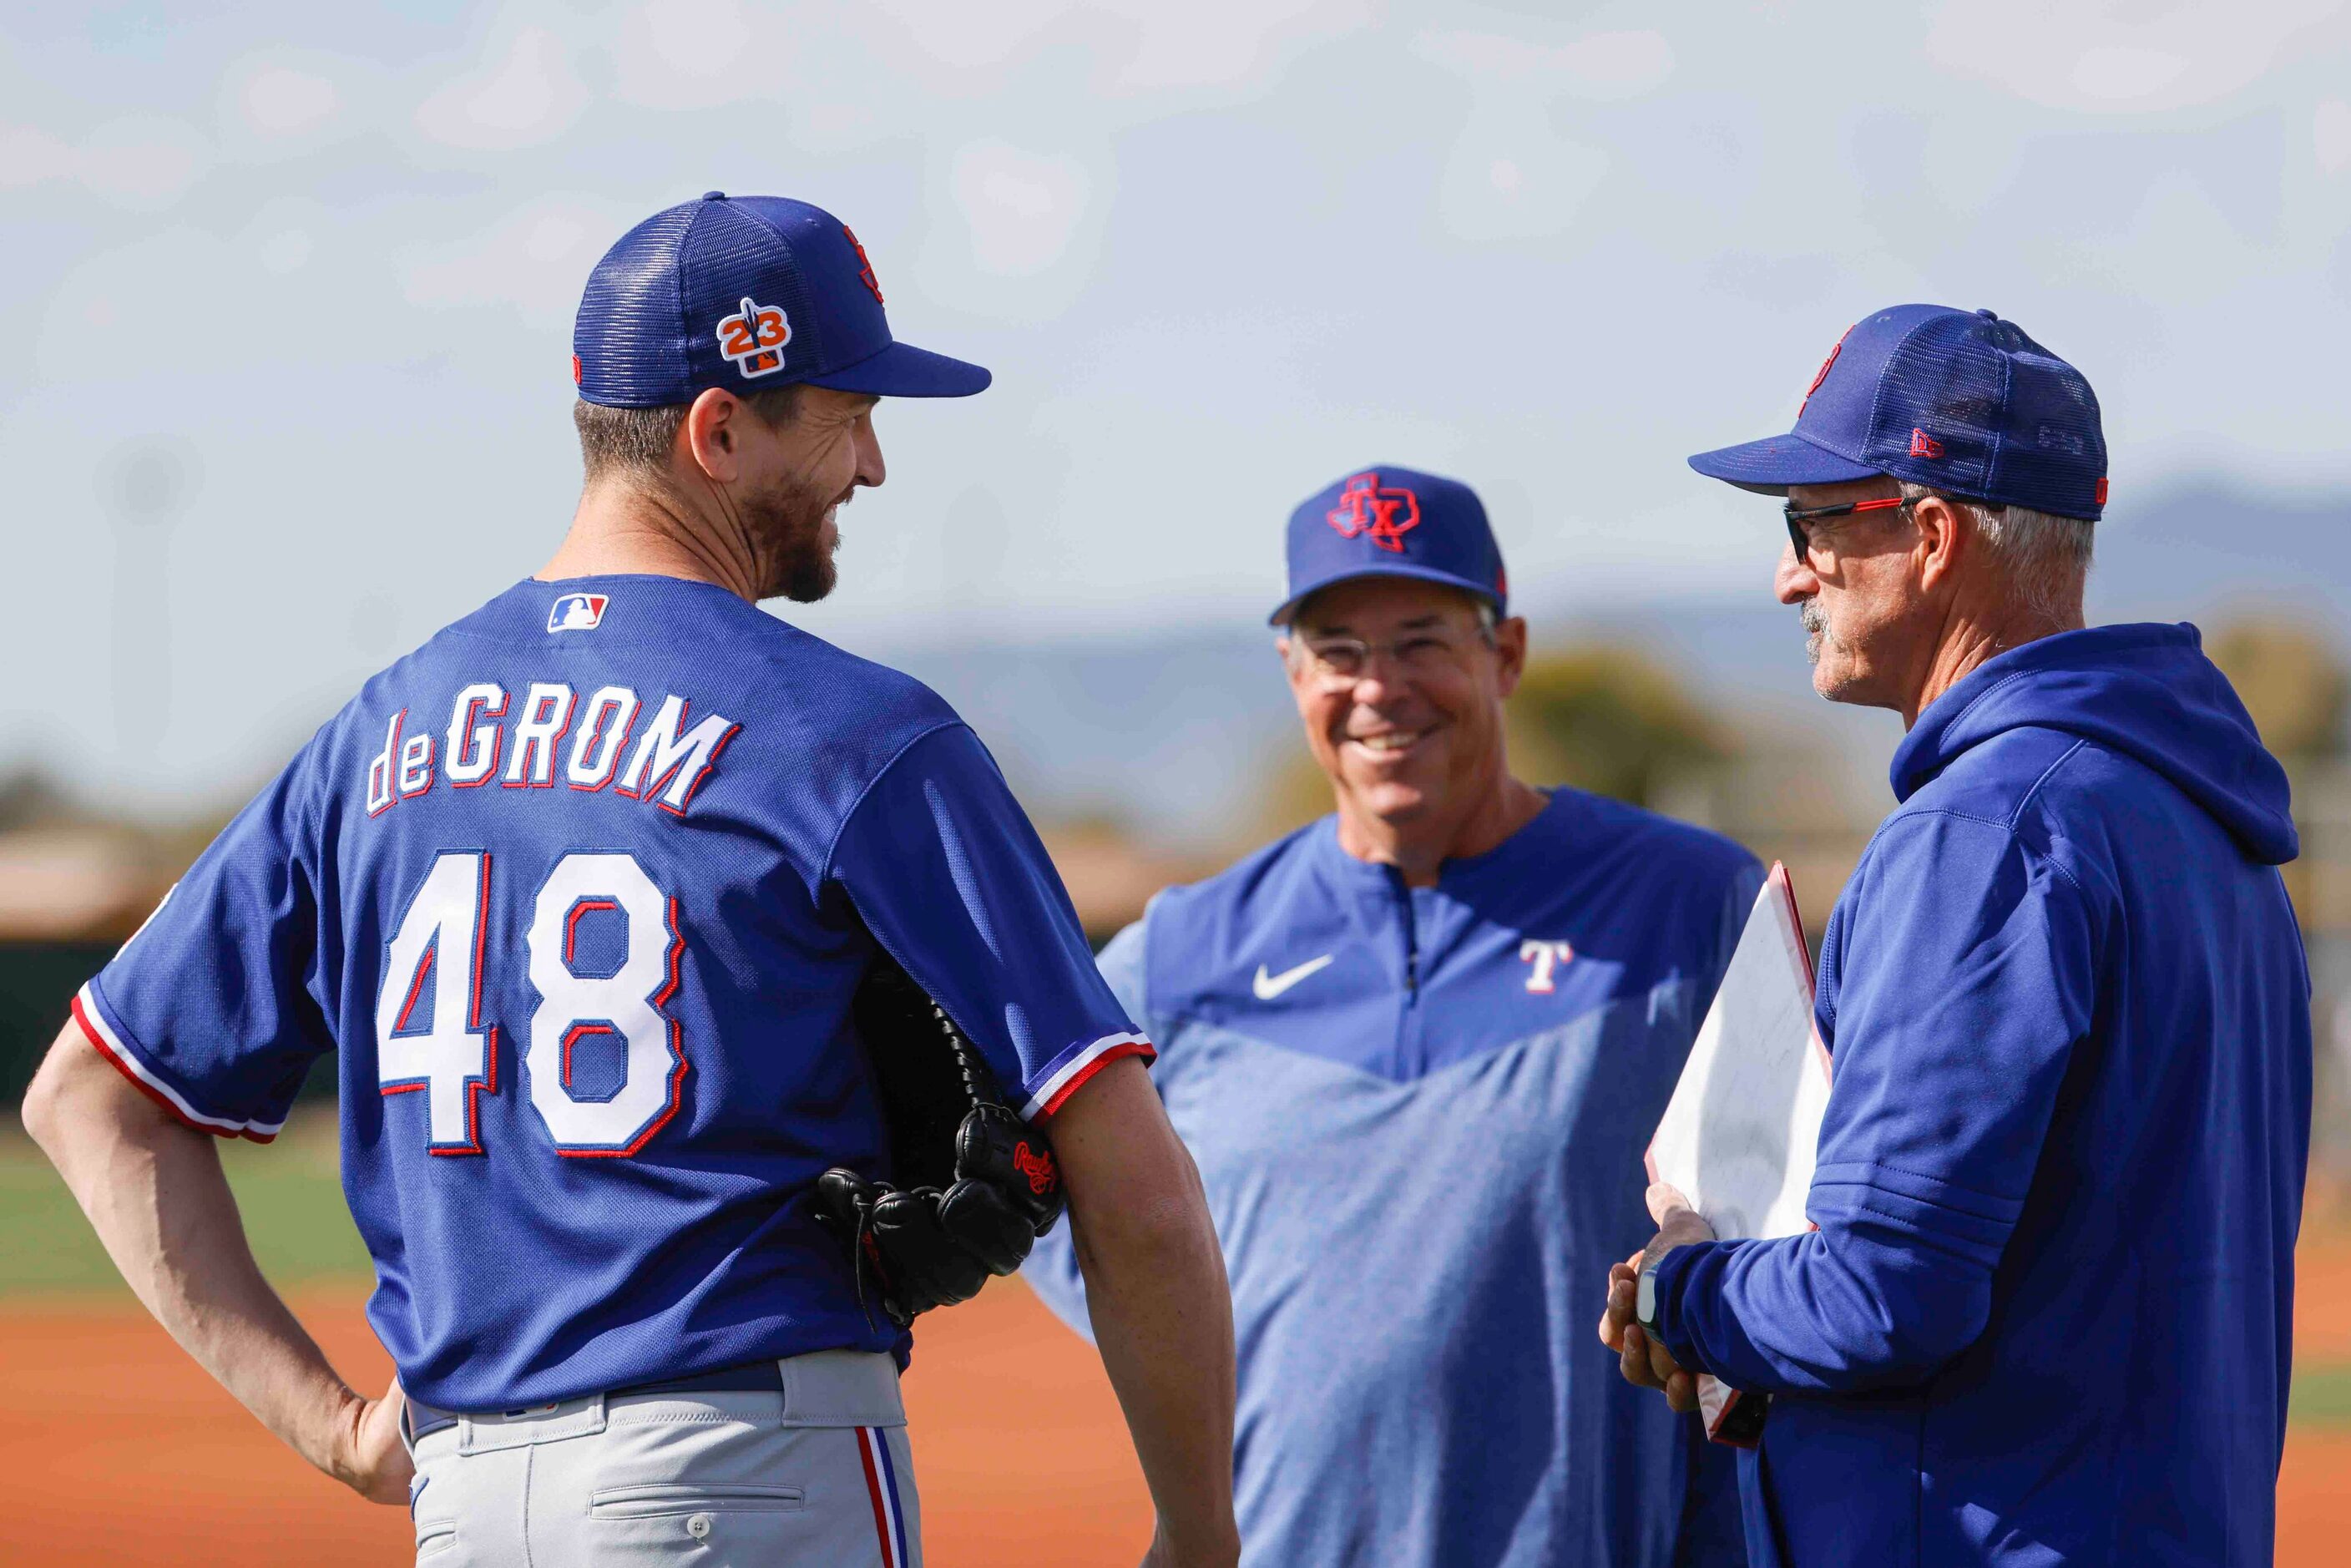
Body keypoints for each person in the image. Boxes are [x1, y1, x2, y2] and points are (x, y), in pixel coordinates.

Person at [21, 192, 1239, 1568]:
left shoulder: (381, 735)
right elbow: (1137, 1191)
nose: (877, 465)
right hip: (746, 1474)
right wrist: (1200, 1530)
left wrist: (336, 1429)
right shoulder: (851, 737)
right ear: (719, 433)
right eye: (846, 415)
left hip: (467, 1504)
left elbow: (87, 1096)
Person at [1601, 304, 2313, 1566]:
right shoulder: (2201, 820)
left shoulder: (1988, 828)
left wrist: (1679, 1292)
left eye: (1810, 522)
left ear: (1928, 535)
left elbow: (1885, 1293)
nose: (1789, 574)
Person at [1025, 464, 1762, 1566]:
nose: (1380, 687)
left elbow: (1809, 1221)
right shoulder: (1184, 955)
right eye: (1338, 650)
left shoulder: (1692, 907)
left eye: (1422, 639)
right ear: (1292, 672)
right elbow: (1051, 1194)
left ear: (1503, 655)